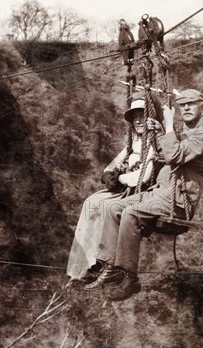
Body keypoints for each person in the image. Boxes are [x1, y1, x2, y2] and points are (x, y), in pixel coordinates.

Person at [86, 89, 203, 300]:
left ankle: (129, 277)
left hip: (178, 199)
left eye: (192, 104)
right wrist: (161, 131)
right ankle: (109, 266)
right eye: (183, 105)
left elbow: (174, 155)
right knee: (113, 208)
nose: (187, 108)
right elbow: (164, 153)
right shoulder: (185, 130)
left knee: (131, 213)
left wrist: (168, 126)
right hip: (160, 191)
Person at [66, 96, 163, 285]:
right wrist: (109, 174)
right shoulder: (134, 143)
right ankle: (82, 267)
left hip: (140, 192)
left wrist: (119, 178)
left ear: (151, 119)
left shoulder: (155, 144)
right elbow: (112, 165)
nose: (138, 120)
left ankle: (104, 263)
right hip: (124, 188)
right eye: (135, 116)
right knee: (90, 203)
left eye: (142, 115)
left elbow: (142, 177)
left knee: (105, 207)